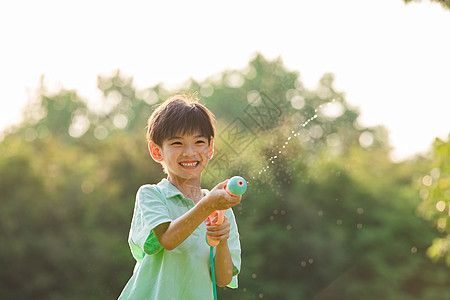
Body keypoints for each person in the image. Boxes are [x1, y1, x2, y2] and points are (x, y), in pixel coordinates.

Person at [118, 93, 242, 299]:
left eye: (199, 141)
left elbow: (222, 278)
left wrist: (221, 241)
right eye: (177, 143)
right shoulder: (151, 195)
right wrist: (208, 206)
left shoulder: (221, 209)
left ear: (210, 148)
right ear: (157, 151)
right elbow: (167, 239)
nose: (189, 152)